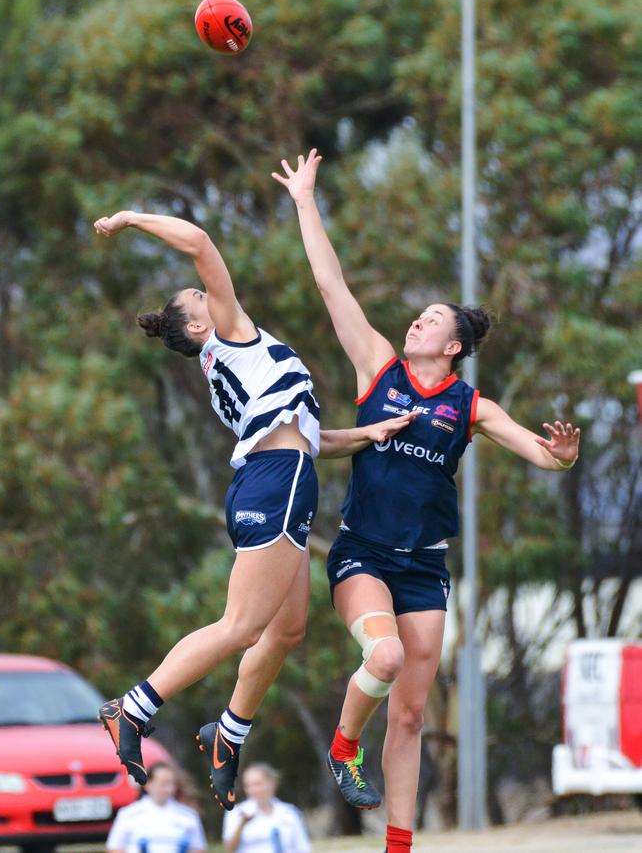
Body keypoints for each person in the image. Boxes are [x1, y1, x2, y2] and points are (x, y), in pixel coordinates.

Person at [272, 150, 581, 853]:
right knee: (380, 661)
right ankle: (343, 745)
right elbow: (330, 285)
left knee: (410, 717)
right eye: (418, 314)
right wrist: (304, 199)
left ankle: (399, 847)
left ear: (455, 345)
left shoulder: (471, 404)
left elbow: (539, 451)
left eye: (432, 318)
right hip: (364, 556)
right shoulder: (379, 366)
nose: (418, 321)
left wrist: (563, 455)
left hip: (425, 567)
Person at [93, 208, 412, 812]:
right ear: (195, 328)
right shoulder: (228, 332)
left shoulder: (239, 359)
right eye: (198, 295)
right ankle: (131, 708)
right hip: (277, 483)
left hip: (281, 478)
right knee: (240, 625)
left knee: (286, 629)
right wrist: (131, 218)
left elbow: (310, 437)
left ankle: (227, 733)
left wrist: (374, 433)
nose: (210, 292)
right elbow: (199, 241)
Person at [106, 761, 207, 853]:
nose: (169, 789)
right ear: (148, 784)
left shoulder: (188, 815)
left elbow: (198, 848)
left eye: (171, 784)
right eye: (163, 784)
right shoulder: (128, 815)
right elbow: (115, 848)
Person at [222, 763, 311, 853]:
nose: (253, 790)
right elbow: (229, 849)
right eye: (248, 785)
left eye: (257, 784)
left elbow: (302, 847)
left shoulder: (289, 812)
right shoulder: (237, 812)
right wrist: (242, 823)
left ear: (271, 783)